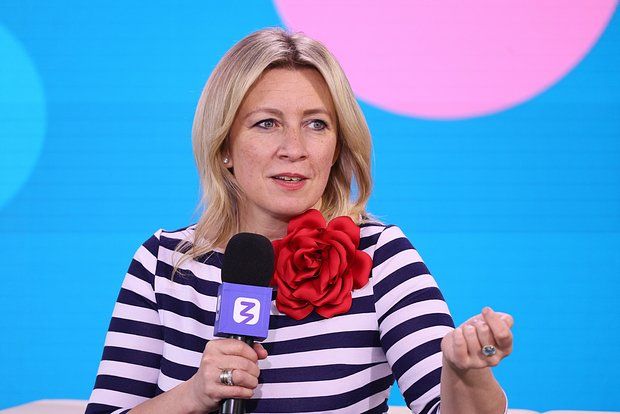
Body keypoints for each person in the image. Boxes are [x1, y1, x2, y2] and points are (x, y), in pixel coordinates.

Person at [85, 27, 514, 414]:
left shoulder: (379, 256)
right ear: (224, 147)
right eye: (267, 123)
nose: (294, 148)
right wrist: (194, 395)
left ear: (337, 146)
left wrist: (465, 372)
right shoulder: (163, 263)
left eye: (316, 124)